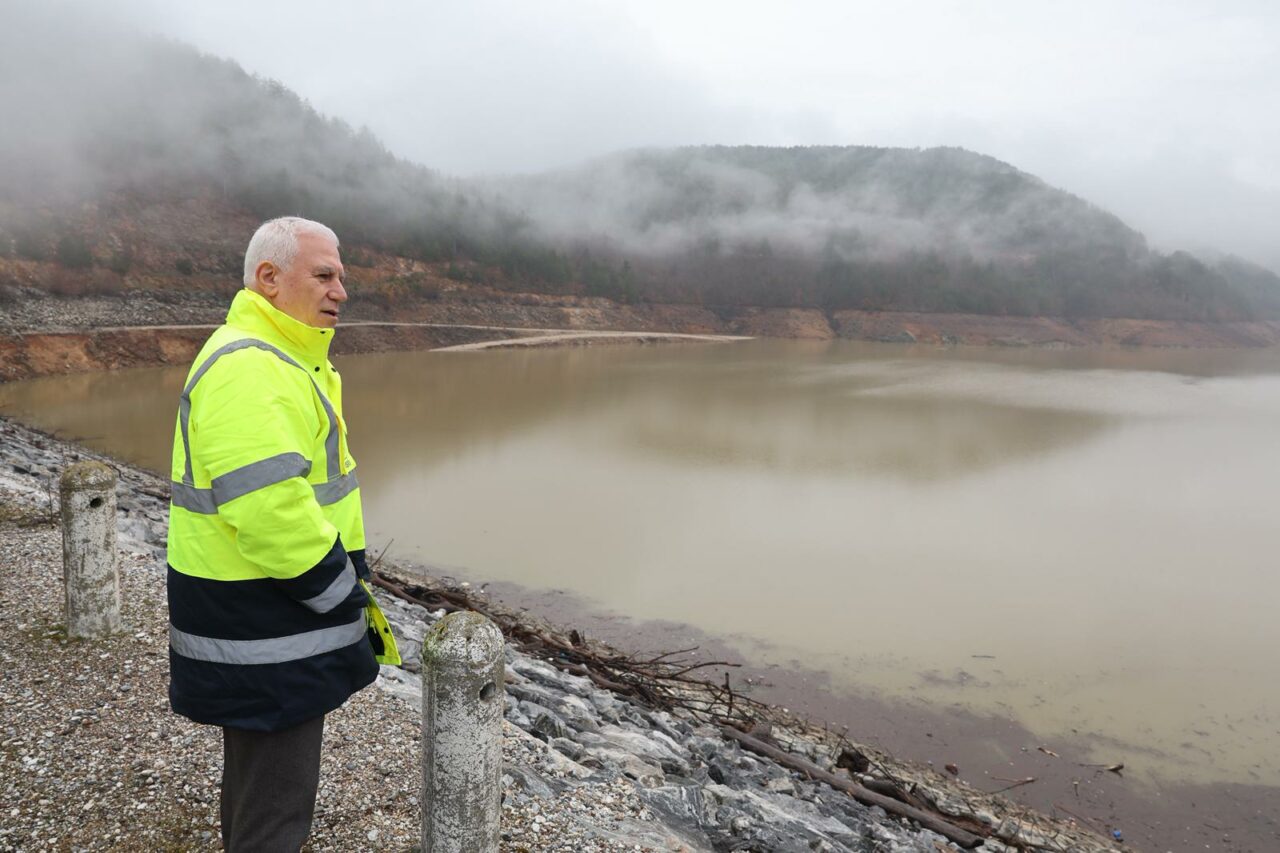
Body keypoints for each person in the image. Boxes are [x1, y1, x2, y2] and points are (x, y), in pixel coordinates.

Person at [166, 216, 397, 851]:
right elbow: (270, 511)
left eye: (342, 277)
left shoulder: (283, 360)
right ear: (268, 278)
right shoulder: (251, 367)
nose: (340, 291)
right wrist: (339, 592)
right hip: (268, 625)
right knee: (276, 808)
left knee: (258, 787)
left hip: (261, 621)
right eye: (324, 275)